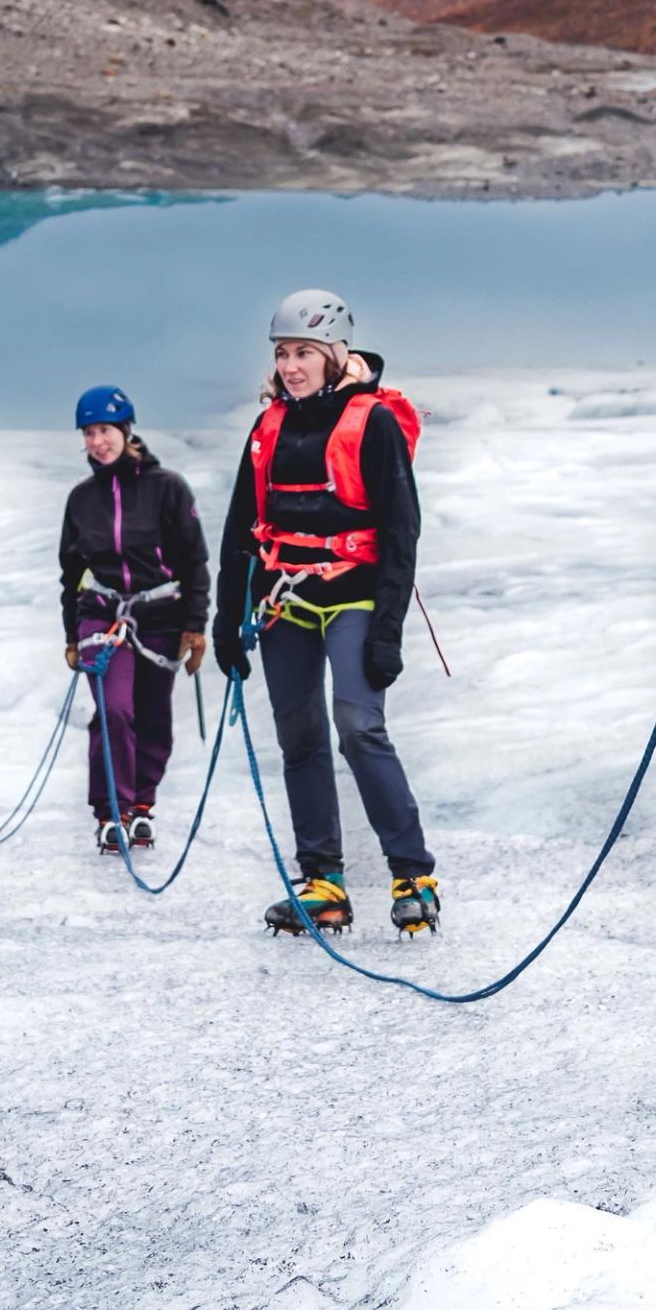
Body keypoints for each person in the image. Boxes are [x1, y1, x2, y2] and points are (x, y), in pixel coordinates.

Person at [214, 289, 439, 937]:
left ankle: (412, 874)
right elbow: (240, 531)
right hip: (285, 599)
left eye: (304, 353)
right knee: (299, 735)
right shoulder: (268, 428)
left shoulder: (372, 423)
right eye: (283, 353)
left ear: (336, 355)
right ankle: (324, 883)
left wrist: (388, 635)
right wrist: (228, 622)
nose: (290, 366)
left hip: (357, 593)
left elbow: (402, 532)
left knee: (359, 726)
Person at [58, 385, 212, 851]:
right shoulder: (82, 499)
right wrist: (71, 634)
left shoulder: (167, 488)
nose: (97, 441)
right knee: (115, 710)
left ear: (126, 431)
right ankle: (111, 811)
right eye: (89, 433)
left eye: (105, 430)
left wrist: (195, 625)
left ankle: (142, 804)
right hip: (102, 618)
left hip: (161, 617)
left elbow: (194, 561)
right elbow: (70, 573)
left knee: (152, 716)